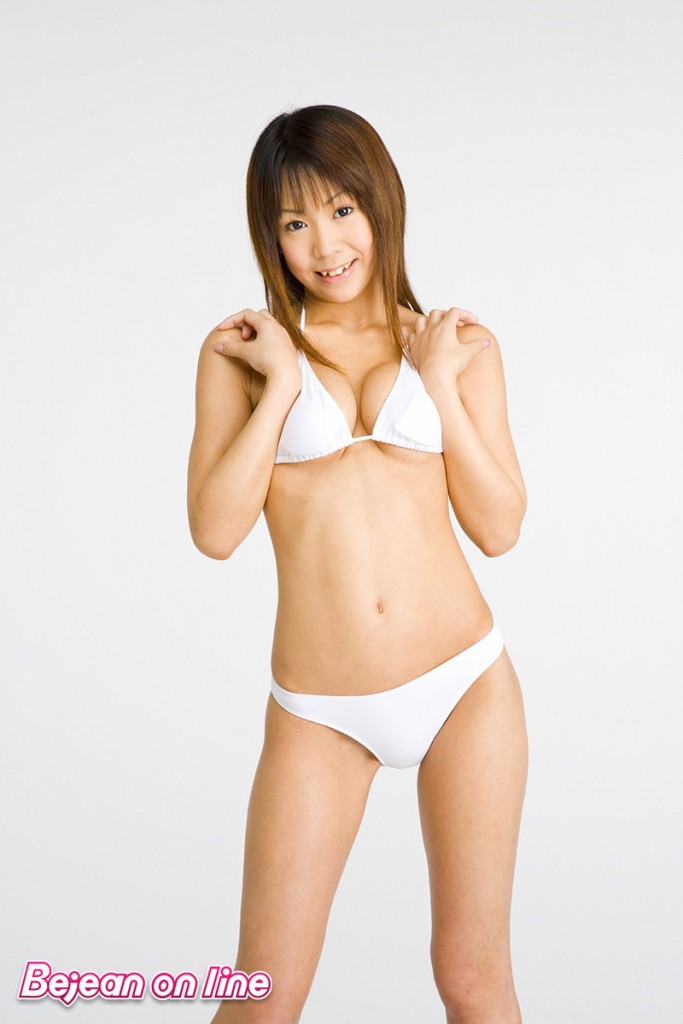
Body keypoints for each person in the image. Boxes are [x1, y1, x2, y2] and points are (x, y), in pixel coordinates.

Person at [188, 104, 529, 1024]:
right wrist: (280, 391)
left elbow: (498, 527)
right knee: (263, 997)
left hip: (464, 684)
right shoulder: (241, 355)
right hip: (320, 709)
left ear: (380, 204)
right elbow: (215, 532)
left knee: (472, 979)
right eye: (294, 223)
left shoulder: (459, 346)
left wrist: (439, 382)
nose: (324, 244)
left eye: (341, 210)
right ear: (270, 236)